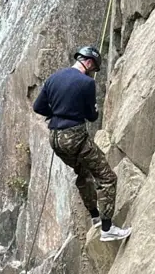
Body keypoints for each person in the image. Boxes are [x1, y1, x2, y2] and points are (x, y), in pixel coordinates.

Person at [33, 46, 132, 242]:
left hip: (55, 139)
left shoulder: (53, 78)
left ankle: (95, 215)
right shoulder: (86, 83)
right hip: (75, 137)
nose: (92, 71)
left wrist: (58, 111)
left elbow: (38, 107)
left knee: (83, 172)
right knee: (107, 177)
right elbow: (92, 116)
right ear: (88, 62)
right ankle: (107, 228)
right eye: (93, 67)